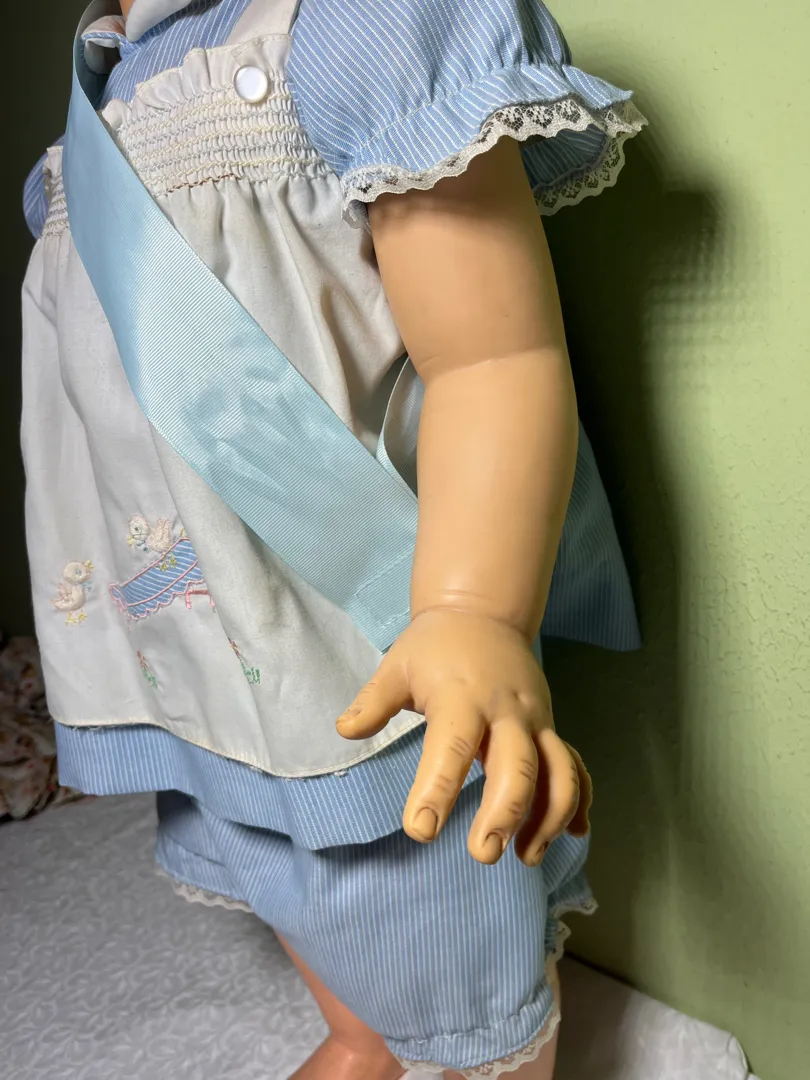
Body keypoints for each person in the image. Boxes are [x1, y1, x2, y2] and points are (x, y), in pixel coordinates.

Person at [21, 1, 646, 1076]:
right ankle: (360, 1033)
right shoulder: (106, 88)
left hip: (347, 623)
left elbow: (492, 356)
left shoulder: (359, 23)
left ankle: (490, 1055)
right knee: (264, 853)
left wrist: (471, 608)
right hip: (186, 634)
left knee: (434, 886)